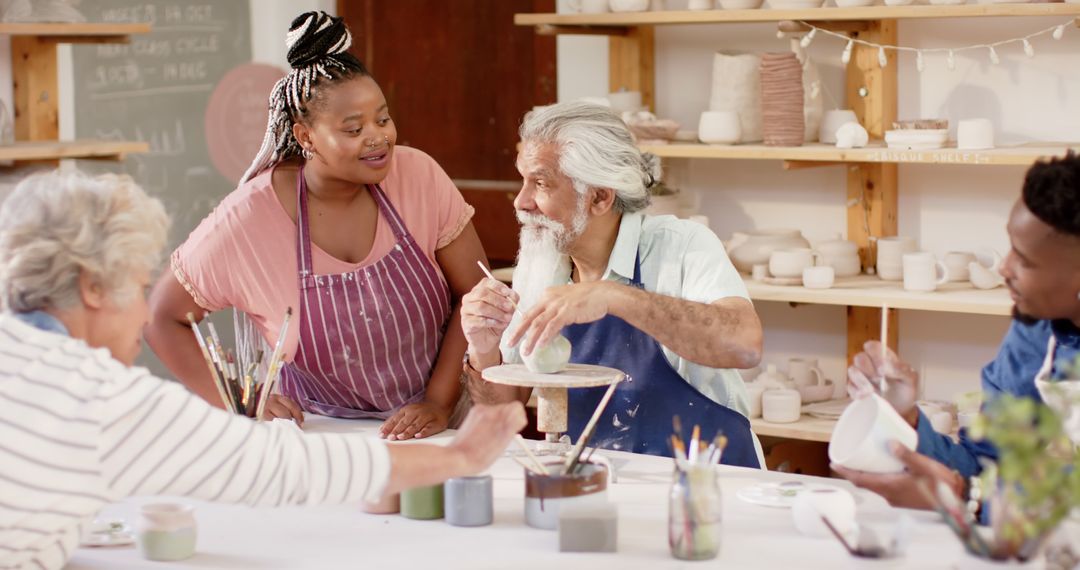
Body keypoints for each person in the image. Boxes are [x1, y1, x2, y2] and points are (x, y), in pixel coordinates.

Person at [0, 170, 525, 570]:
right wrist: (460, 455)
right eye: (137, 287)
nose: (142, 314)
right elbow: (279, 467)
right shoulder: (96, 398)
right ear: (92, 288)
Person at [145, 11, 487, 441]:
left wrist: (437, 403)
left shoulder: (418, 176)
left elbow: (477, 296)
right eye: (353, 128)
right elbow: (161, 317)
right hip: (316, 440)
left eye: (382, 119)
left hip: (437, 430)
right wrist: (238, 399)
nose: (378, 137)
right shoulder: (250, 219)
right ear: (305, 137)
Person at [460, 101, 764, 466]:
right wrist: (482, 350)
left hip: (707, 486)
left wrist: (614, 296)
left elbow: (745, 346)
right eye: (522, 180)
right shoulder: (540, 262)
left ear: (600, 197)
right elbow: (503, 413)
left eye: (540, 183)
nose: (522, 202)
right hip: (601, 483)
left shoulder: (682, 245)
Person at [835, 152, 1080, 509]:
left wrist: (967, 498)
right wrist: (906, 418)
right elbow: (986, 466)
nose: (1004, 268)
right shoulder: (1036, 331)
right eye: (1010, 246)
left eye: (1025, 260)